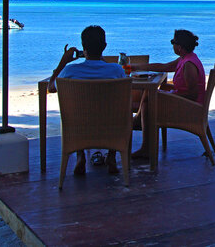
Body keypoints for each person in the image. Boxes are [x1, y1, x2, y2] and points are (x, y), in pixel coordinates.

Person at [48, 25, 126, 175]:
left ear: (83, 47)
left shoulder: (70, 71)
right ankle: (111, 156)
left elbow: (51, 87)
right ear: (104, 46)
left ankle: (80, 156)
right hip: (111, 126)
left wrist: (63, 62)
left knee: (80, 114)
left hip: (78, 127)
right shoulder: (116, 70)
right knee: (121, 114)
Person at [130, 29, 206, 158]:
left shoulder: (189, 65)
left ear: (180, 47)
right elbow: (164, 67)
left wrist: (168, 96)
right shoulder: (185, 58)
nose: (172, 45)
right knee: (149, 95)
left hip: (190, 107)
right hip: (186, 102)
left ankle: (145, 145)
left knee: (150, 97)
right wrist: (137, 67)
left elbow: (192, 95)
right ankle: (139, 122)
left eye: (173, 42)